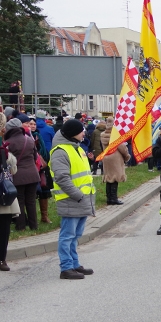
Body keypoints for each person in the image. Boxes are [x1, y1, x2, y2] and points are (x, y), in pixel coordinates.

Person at [50, 119, 95, 280]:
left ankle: (74, 264)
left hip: (81, 199)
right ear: (72, 133)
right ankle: (66, 267)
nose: (84, 133)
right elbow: (62, 178)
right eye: (81, 130)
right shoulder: (60, 151)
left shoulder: (77, 148)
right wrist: (77, 195)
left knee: (75, 235)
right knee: (67, 235)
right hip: (71, 199)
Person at [3, 118, 39, 231]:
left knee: (20, 201)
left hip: (17, 175)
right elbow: (35, 157)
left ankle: (21, 226)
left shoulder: (8, 143)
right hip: (33, 174)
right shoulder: (29, 139)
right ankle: (34, 226)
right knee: (31, 201)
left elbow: (6, 161)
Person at [0, 114, 19, 270]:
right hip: (3, 193)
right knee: (3, 228)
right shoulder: (4, 149)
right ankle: (1, 259)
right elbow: (13, 169)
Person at [100, 117, 130, 206]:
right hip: (115, 158)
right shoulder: (115, 136)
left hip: (106, 157)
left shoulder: (103, 135)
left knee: (109, 177)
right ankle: (114, 198)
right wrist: (127, 156)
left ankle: (109, 197)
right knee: (115, 178)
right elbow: (122, 148)